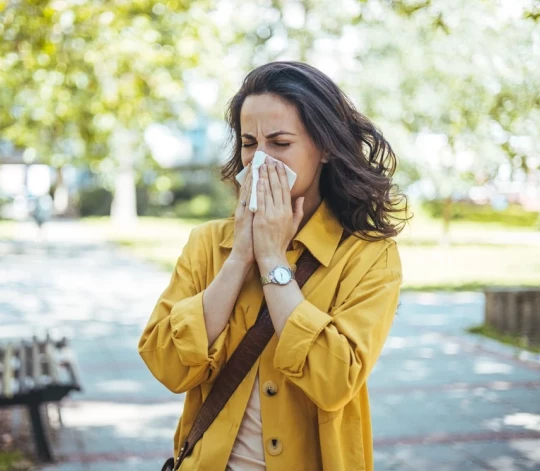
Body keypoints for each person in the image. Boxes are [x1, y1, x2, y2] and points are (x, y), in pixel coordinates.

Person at [138, 62, 409, 471]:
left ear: (325, 148)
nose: (260, 160)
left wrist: (271, 258)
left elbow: (335, 382)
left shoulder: (368, 257)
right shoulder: (208, 243)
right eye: (250, 143)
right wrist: (240, 257)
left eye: (280, 143)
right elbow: (167, 365)